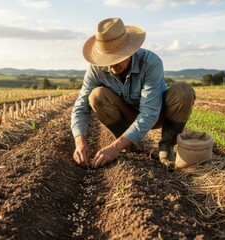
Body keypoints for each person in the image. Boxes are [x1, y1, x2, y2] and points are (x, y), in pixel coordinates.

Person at [71, 17, 195, 169]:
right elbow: (80, 108)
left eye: (116, 58)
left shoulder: (151, 62)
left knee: (184, 91)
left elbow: (149, 113)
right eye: (106, 60)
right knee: (96, 96)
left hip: (159, 113)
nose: (111, 66)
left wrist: (114, 148)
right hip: (127, 115)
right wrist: (80, 142)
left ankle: (166, 147)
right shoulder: (95, 69)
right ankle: (129, 147)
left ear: (130, 51)